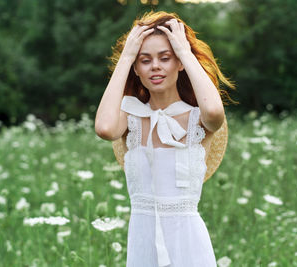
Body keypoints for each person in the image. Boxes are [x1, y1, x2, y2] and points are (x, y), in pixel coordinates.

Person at [95, 10, 236, 267]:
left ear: (179, 63)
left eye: (165, 57)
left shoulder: (198, 118)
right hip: (142, 246)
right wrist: (126, 56)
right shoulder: (131, 116)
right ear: (136, 68)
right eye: (145, 60)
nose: (156, 66)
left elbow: (215, 112)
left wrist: (184, 52)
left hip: (189, 248)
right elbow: (104, 128)